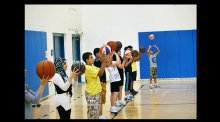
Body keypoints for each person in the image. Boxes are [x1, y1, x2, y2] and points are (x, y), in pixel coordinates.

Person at [82, 52, 107, 119]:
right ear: (87, 60)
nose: (93, 59)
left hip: (96, 93)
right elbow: (101, 73)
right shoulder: (87, 68)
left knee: (95, 113)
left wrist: (104, 60)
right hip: (92, 94)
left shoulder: (92, 66)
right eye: (91, 57)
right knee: (92, 114)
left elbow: (101, 69)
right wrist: (104, 62)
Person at [93, 48, 107, 119]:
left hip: (103, 81)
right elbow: (102, 70)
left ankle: (100, 114)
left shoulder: (100, 61)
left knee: (102, 99)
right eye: (100, 53)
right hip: (100, 82)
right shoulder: (96, 62)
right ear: (96, 54)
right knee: (100, 99)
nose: (101, 54)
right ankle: (99, 115)